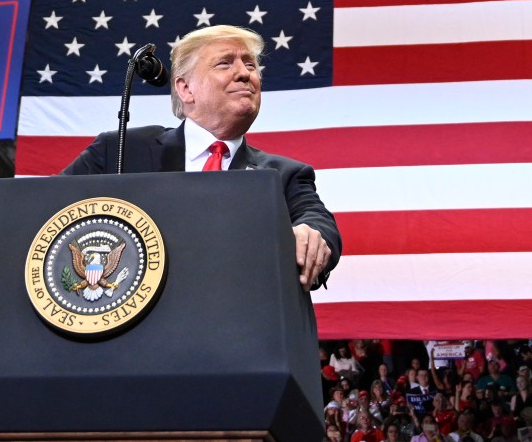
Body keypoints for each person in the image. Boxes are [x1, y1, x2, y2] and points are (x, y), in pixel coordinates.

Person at [61, 24, 341, 292]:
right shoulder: (119, 150)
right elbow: (46, 207)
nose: (245, 74)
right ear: (185, 88)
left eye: (251, 65)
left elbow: (318, 220)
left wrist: (310, 232)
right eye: (225, 63)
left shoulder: (285, 174)